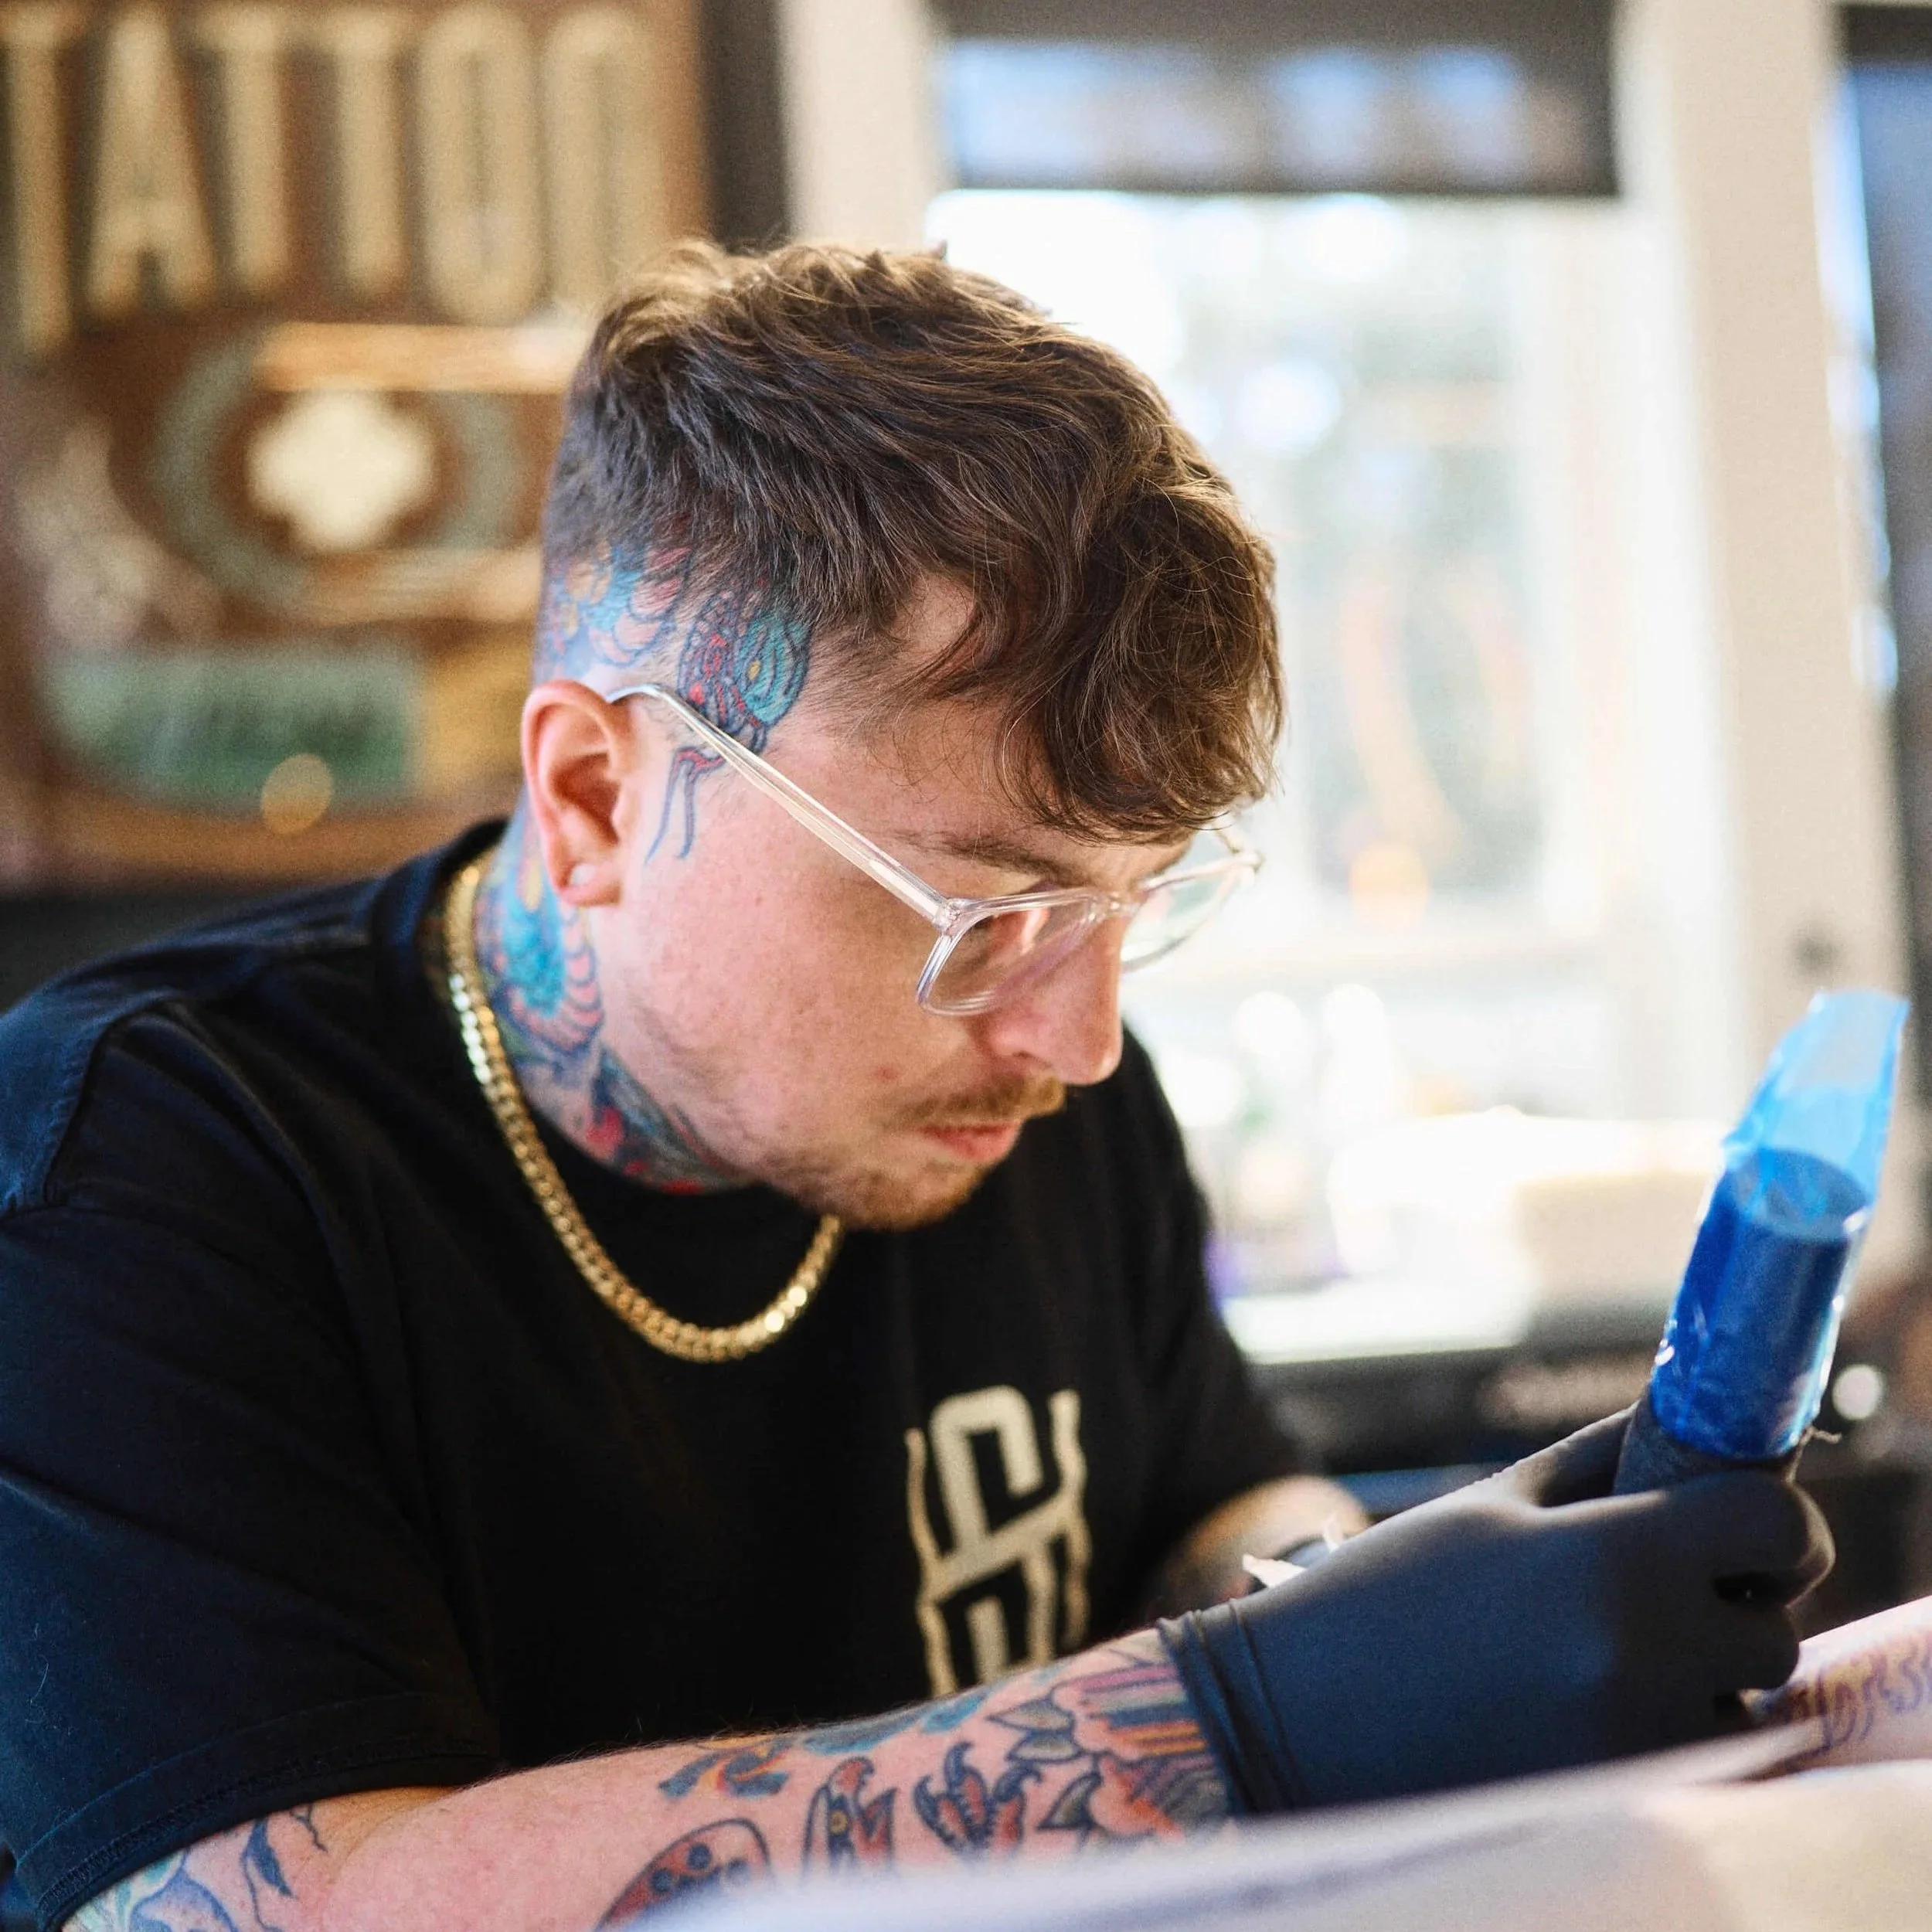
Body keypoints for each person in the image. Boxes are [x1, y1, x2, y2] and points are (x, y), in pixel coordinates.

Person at [0, 245, 1828, 1932]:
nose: (1075, 1036)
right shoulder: (147, 1163)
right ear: (591, 796)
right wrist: (1241, 1714)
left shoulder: (1029, 1087)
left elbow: (1206, 1503)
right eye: (984, 907)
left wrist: (1397, 1615)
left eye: (1132, 904)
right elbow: (261, 1904)